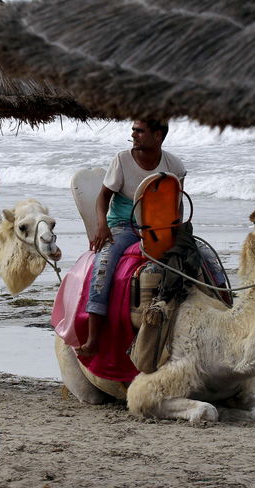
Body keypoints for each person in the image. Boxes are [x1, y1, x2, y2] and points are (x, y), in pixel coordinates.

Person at [76, 120, 186, 357]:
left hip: (159, 227)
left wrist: (177, 233)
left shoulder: (174, 165)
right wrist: (102, 225)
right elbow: (103, 197)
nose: (133, 134)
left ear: (158, 136)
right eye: (133, 130)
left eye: (139, 131)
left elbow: (176, 205)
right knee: (103, 266)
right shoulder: (122, 160)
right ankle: (94, 338)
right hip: (124, 226)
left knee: (204, 258)